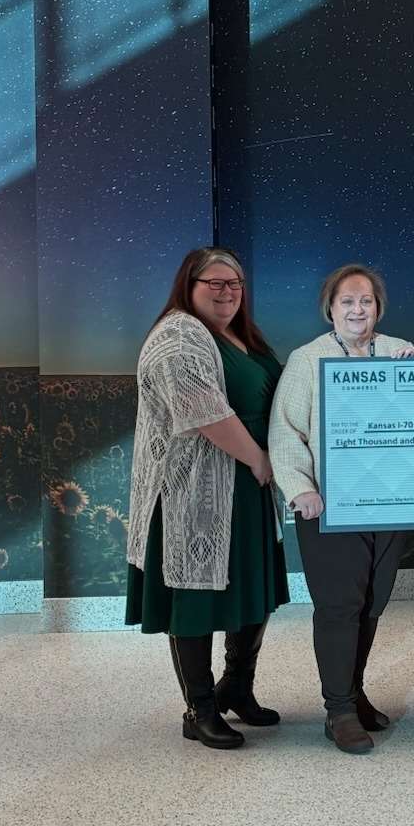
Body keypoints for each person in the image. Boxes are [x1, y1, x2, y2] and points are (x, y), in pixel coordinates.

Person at [125, 247, 289, 751]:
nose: (226, 292)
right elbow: (204, 412)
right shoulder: (178, 336)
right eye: (214, 283)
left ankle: (236, 687)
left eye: (234, 283)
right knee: (194, 600)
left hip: (247, 487)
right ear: (188, 286)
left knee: (251, 590)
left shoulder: (240, 335)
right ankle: (199, 709)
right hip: (195, 492)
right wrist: (259, 460)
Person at [269, 264, 414, 754]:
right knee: (340, 607)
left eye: (367, 301)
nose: (358, 310)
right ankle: (337, 711)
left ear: (379, 307)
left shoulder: (398, 351)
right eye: (348, 301)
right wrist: (301, 489)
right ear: (330, 308)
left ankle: (353, 695)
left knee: (372, 603)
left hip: (388, 503)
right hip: (329, 507)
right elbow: (285, 431)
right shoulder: (307, 360)